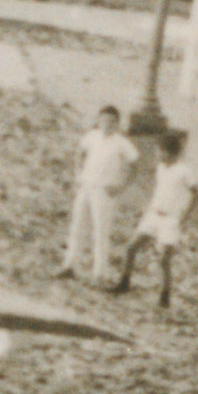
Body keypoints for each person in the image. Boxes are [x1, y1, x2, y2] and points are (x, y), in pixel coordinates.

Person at [111, 132, 198, 309]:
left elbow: (197, 194)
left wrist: (185, 216)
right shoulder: (160, 168)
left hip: (171, 219)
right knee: (131, 247)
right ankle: (124, 282)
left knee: (164, 259)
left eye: (160, 151)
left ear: (170, 152)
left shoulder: (184, 171)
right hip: (153, 215)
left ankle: (165, 296)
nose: (157, 154)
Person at [59, 104, 141, 280]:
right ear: (98, 120)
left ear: (117, 123)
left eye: (111, 121)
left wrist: (121, 186)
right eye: (104, 120)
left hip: (105, 190)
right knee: (77, 227)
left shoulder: (121, 142)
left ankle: (99, 273)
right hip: (86, 186)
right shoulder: (92, 136)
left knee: (101, 232)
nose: (107, 124)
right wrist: (78, 173)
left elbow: (135, 165)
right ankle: (69, 266)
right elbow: (80, 153)